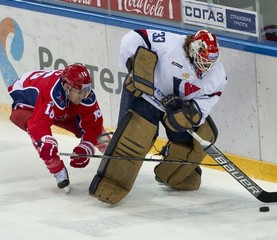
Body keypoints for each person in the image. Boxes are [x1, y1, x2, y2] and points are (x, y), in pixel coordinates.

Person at [89, 29, 228, 204]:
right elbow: (133, 38)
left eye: (210, 61)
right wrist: (134, 67)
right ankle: (111, 181)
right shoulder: (170, 44)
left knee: (193, 140)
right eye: (204, 60)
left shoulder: (218, 76)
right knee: (134, 137)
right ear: (193, 49)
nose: (207, 66)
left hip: (176, 108)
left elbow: (205, 104)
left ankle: (177, 173)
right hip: (145, 94)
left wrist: (187, 111)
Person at [8, 64, 107, 193]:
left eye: (87, 90)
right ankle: (57, 169)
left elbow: (94, 125)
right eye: (80, 92)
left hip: (61, 106)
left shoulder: (84, 93)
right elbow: (39, 126)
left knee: (90, 125)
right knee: (43, 143)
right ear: (67, 87)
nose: (84, 95)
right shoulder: (51, 94)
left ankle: (109, 148)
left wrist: (86, 146)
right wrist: (47, 142)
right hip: (29, 105)